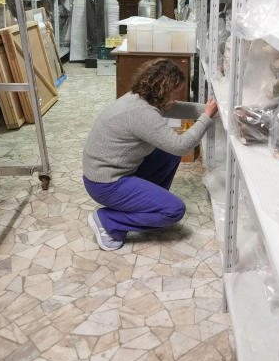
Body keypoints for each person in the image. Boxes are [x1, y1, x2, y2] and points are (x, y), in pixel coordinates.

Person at [83, 58, 218, 250]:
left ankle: (148, 207)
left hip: (108, 174)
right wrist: (206, 118)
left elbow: (176, 107)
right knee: (173, 210)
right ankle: (108, 221)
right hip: (106, 183)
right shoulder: (141, 113)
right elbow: (181, 147)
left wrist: (210, 110)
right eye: (174, 90)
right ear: (163, 89)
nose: (176, 94)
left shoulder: (139, 98)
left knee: (167, 153)